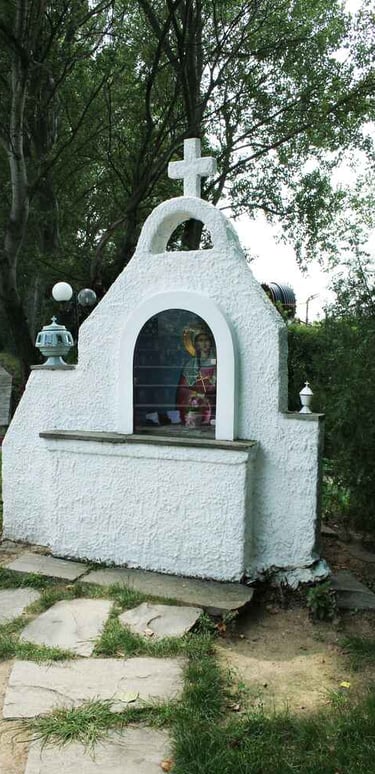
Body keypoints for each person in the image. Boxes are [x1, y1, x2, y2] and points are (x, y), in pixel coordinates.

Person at [176, 325, 216, 426]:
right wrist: (196, 395)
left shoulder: (218, 362)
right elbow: (183, 390)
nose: (204, 343)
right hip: (198, 405)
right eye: (200, 340)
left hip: (214, 403)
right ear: (195, 344)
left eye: (207, 339)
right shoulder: (190, 365)